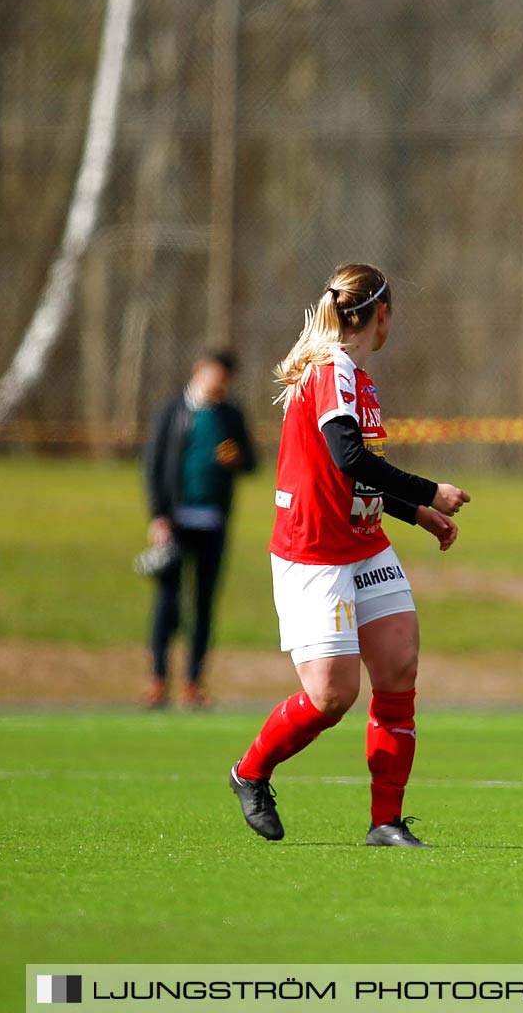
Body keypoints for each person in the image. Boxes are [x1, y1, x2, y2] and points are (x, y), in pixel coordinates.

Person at [227, 264, 470, 848]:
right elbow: (347, 457)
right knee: (333, 697)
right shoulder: (332, 369)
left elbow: (352, 479)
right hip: (315, 555)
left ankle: (385, 822)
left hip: (364, 545)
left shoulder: (357, 377)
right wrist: (427, 491)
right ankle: (250, 772)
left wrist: (413, 514)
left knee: (398, 669)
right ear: (380, 314)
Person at [141, 349, 258, 709]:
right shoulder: (173, 412)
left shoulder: (230, 415)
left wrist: (235, 458)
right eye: (214, 376)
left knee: (204, 603)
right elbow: (153, 465)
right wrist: (159, 515)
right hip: (176, 523)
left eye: (224, 380)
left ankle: (193, 681)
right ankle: (158, 678)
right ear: (198, 371)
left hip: (213, 522)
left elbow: (251, 463)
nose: (218, 385)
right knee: (168, 602)